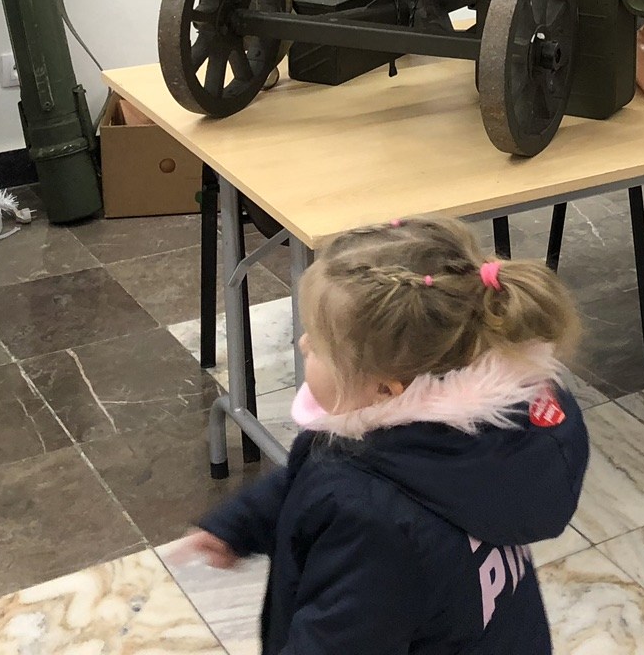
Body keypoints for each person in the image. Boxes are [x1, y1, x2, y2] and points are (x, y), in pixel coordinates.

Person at [168, 217, 588, 655]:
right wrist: (239, 524)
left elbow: (340, 640)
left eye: (322, 346)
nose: (304, 344)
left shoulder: (373, 521)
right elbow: (312, 476)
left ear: (386, 389)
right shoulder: (482, 441)